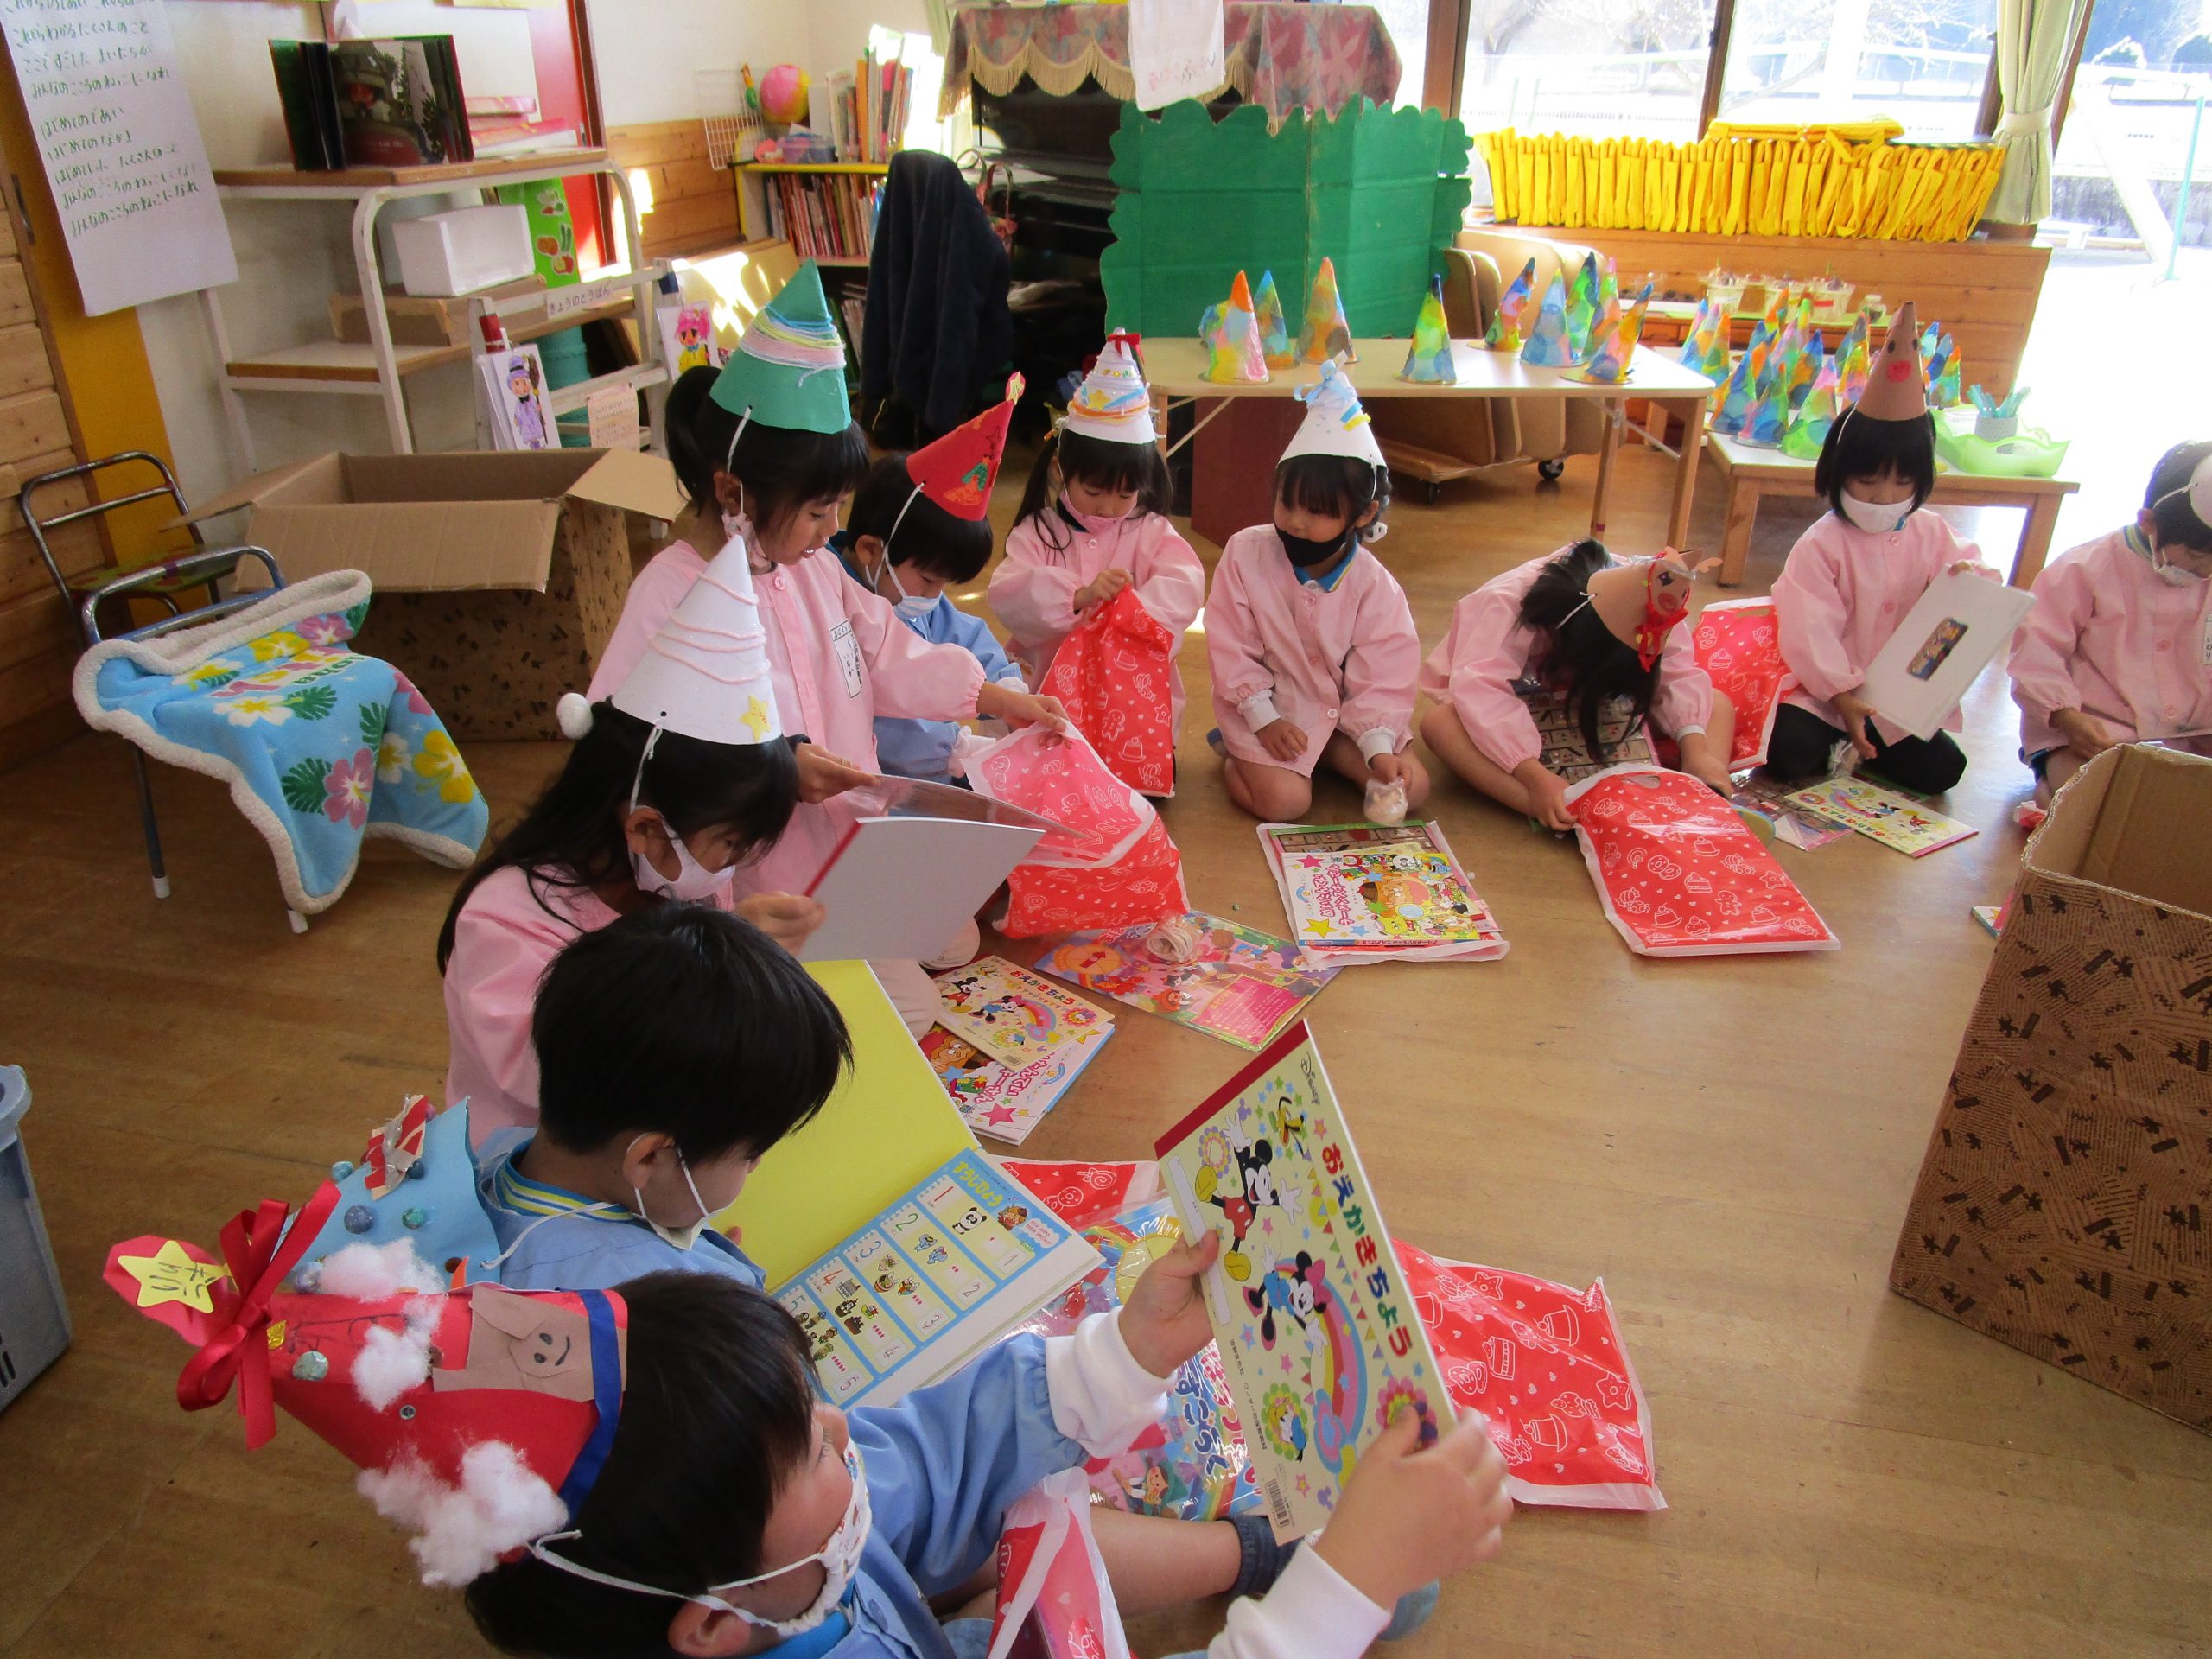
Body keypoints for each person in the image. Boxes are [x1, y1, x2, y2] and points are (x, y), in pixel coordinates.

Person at [464, 1262, 1511, 1659]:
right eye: (810, 1448)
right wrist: (1340, 1594)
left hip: (904, 1630)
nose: (840, 1426)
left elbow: (933, 1455)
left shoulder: (755, 1552)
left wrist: (1127, 1351)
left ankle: (1254, 1551)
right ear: (710, 1625)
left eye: (810, 1402)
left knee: (1032, 1531)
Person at [590, 264, 1066, 1024]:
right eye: (818, 512)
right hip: (746, 882)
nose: (832, 531)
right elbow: (638, 754)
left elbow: (887, 651)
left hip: (844, 851)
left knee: (937, 960)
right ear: (732, 492)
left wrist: (991, 695)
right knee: (884, 1014)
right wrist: (778, 767)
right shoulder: (668, 593)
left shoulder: (813, 571)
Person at [441, 528, 818, 1146]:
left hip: (654, 1143)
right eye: (730, 845)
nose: (732, 868)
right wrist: (714, 967)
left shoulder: (671, 880)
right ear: (645, 827)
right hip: (530, 1168)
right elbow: (559, 1074)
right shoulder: (506, 918)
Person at [476, 904, 851, 1291]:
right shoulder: (659, 1305)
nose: (756, 1165)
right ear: (650, 1156)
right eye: (752, 1153)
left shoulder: (495, 1156)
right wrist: (721, 1301)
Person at [1768, 302, 1995, 793]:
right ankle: (1846, 740)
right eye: (1868, 481)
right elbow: (1809, 626)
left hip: (1897, 701)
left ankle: (1861, 747)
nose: (1882, 497)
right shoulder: (1822, 543)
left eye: (1901, 483)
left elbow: (1975, 576)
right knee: (1787, 752)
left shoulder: (1931, 532)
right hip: (1828, 695)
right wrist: (1841, 692)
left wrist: (1969, 581)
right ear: (1838, 473)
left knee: (1943, 770)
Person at [1207, 361, 1428, 823]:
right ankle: (1237, 756)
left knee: (1415, 787)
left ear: (1364, 514)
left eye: (1317, 511)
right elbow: (1231, 646)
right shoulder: (1245, 551)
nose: (1295, 522)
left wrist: (1376, 745)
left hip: (1341, 717)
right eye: (1285, 503)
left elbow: (1384, 671)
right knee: (1284, 803)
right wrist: (1263, 720)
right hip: (1264, 710)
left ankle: (1327, 753)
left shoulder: (1375, 586)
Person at [991, 334, 1206, 783]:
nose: (1109, 507)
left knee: (1134, 776)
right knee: (1051, 773)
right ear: (1060, 470)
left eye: (1125, 495)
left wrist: (1128, 612)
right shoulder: (1038, 532)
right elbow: (1007, 593)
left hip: (1132, 698)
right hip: (1052, 691)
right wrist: (1077, 597)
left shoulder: (1149, 530)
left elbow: (1183, 583)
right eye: (1093, 491)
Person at [1420, 542, 1736, 831]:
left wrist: (1695, 751)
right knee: (1440, 725)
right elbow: (1481, 693)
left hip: (1609, 703)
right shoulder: (1505, 603)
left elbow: (1677, 674)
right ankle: (1555, 807)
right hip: (1514, 709)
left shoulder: (1650, 599)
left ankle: (1704, 784)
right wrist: (1533, 777)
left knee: (1716, 703)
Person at [833, 400, 1028, 785]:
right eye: (929, 580)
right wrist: (950, 750)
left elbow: (964, 634)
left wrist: (1006, 687)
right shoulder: (833, 602)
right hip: (882, 785)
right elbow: (879, 703)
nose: (934, 596)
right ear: (870, 549)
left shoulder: (904, 591)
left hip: (932, 773)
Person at [2009, 439, 2212, 804]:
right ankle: (2050, 786)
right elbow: (2036, 656)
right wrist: (2067, 718)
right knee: (2091, 803)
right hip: (2093, 735)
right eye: (2197, 555)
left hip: (2192, 735)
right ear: (2149, 522)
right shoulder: (2084, 569)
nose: (2207, 570)